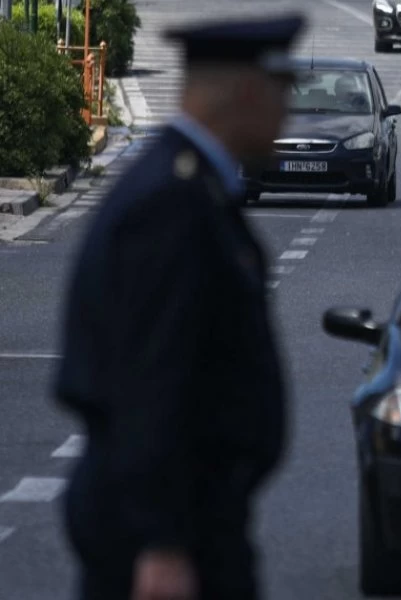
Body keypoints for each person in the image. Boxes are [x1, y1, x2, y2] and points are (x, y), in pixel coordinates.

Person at [52, 14, 305, 600]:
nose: (286, 116)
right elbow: (151, 380)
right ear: (246, 92)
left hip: (194, 519)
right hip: (168, 535)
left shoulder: (192, 187)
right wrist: (161, 541)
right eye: (282, 95)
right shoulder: (171, 204)